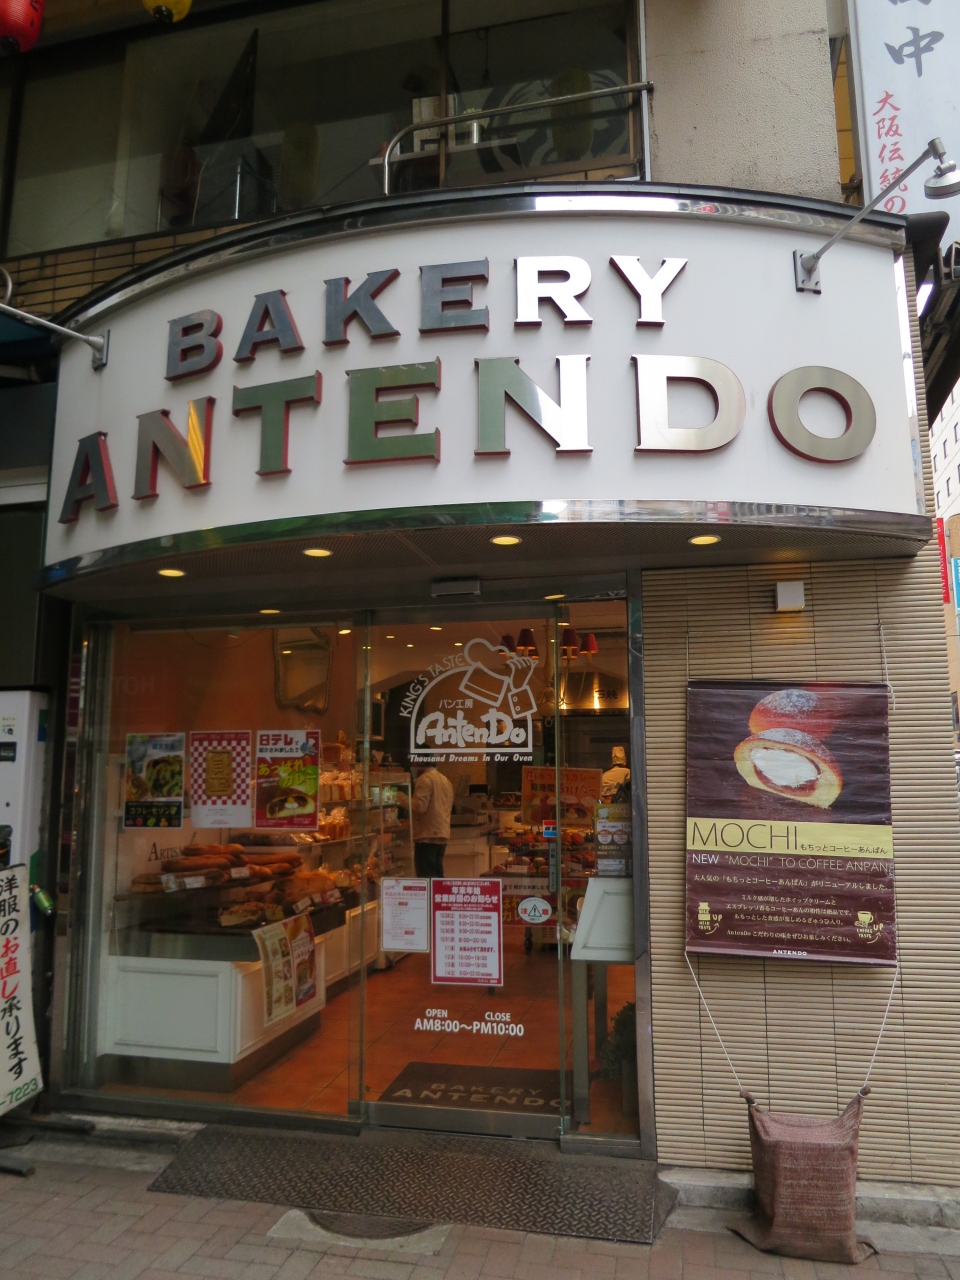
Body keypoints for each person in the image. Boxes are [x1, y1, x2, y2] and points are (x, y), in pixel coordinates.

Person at [409, 765, 454, 879]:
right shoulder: (445, 780)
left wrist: (401, 798)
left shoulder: (425, 779)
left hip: (427, 835)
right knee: (437, 876)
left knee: (426, 877)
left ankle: (431, 892)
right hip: (442, 833)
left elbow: (420, 806)